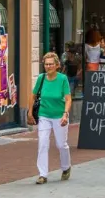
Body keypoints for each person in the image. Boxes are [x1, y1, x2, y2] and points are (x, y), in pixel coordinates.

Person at [27, 52, 72, 184]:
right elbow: (33, 96)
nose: (48, 66)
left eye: (51, 64)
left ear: (57, 65)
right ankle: (43, 174)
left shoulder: (62, 79)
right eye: (46, 64)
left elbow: (68, 99)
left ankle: (66, 167)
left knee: (61, 144)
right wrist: (30, 112)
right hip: (44, 115)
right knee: (43, 143)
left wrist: (65, 114)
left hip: (59, 116)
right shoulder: (41, 78)